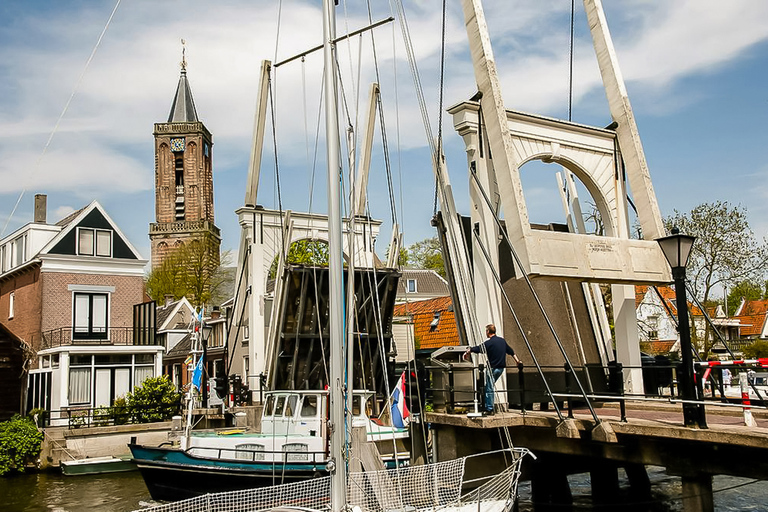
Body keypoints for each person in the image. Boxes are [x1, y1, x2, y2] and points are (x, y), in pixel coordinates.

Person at [463, 324, 523, 415]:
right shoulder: (502, 341)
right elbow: (511, 351)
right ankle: (488, 405)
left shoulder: (489, 343)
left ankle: (489, 408)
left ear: (488, 332)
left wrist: (468, 350)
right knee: (489, 386)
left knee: (489, 387)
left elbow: (479, 348)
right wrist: (517, 361)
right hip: (501, 368)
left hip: (492, 368)